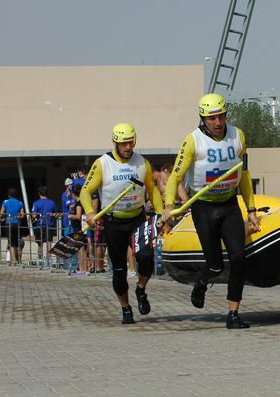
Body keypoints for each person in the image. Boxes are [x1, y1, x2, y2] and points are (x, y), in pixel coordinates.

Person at [163, 93, 261, 329]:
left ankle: (233, 314)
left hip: (229, 205)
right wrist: (168, 206)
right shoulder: (192, 141)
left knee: (238, 257)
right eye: (212, 118)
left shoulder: (238, 136)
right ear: (203, 119)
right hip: (203, 207)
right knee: (215, 264)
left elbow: (244, 175)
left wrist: (251, 209)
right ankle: (202, 282)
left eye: (221, 117)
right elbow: (175, 176)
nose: (217, 123)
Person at [81, 123, 163, 325]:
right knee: (119, 271)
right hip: (113, 222)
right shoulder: (103, 164)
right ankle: (126, 308)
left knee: (146, 257)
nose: (128, 147)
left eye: (131, 142)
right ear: (115, 143)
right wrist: (90, 212)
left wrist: (162, 214)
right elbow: (85, 191)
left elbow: (152, 191)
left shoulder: (142, 162)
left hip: (137, 218)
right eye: (124, 143)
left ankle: (141, 289)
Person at [31, 185, 57, 266]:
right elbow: (56, 214)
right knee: (49, 243)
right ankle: (48, 261)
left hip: (39, 225)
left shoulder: (36, 203)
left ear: (39, 193)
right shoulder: (52, 203)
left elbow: (34, 216)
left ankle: (40, 260)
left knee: (40, 244)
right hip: (49, 225)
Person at [0, 187, 25, 265]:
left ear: (9, 195)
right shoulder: (20, 202)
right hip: (17, 223)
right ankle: (19, 260)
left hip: (9, 223)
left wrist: (5, 216)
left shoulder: (5, 202)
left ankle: (14, 260)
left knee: (11, 243)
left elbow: (1, 214)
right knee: (18, 242)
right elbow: (22, 215)